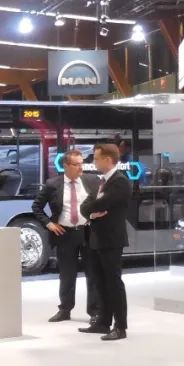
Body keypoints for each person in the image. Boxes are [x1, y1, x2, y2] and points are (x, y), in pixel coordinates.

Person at [32, 150, 101, 324]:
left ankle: (95, 311)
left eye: (82, 163)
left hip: (88, 232)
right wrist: (49, 224)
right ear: (65, 166)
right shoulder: (52, 184)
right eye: (76, 164)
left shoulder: (92, 181)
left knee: (93, 273)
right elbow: (37, 207)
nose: (81, 168)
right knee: (67, 274)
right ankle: (65, 309)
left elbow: (102, 202)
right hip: (65, 234)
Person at [78, 144, 131, 341]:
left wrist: (91, 209)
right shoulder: (101, 182)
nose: (94, 162)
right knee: (99, 282)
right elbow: (85, 207)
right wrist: (92, 213)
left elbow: (101, 204)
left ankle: (120, 326)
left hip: (111, 239)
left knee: (113, 283)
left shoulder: (120, 182)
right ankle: (103, 322)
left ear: (108, 159)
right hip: (96, 239)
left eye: (97, 158)